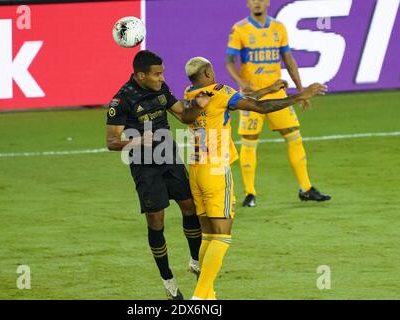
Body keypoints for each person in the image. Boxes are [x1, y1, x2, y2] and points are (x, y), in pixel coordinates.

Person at [183, 56, 327, 299]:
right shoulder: (221, 92)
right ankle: (199, 298)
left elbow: (244, 101)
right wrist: (299, 96)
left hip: (195, 170)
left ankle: (208, 294)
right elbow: (259, 108)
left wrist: (268, 89)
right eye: (213, 70)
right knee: (222, 235)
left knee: (208, 233)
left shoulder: (190, 93)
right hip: (216, 171)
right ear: (207, 73)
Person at [106, 50, 208, 300]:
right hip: (144, 166)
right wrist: (139, 140)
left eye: (162, 73)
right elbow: (111, 141)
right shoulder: (122, 100)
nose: (162, 78)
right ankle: (168, 280)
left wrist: (198, 105)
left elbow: (183, 115)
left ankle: (196, 262)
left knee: (189, 208)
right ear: (141, 75)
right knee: (156, 220)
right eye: (157, 74)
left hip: (170, 158)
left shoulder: (161, 90)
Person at [226, 0, 331, 207]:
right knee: (249, 141)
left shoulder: (278, 28)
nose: (257, 3)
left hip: (277, 93)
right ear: (248, 4)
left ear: (267, 2)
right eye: (253, 0)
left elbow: (289, 59)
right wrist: (241, 82)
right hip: (253, 96)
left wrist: (301, 91)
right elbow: (230, 61)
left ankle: (306, 188)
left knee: (294, 136)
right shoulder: (239, 29)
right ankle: (250, 193)